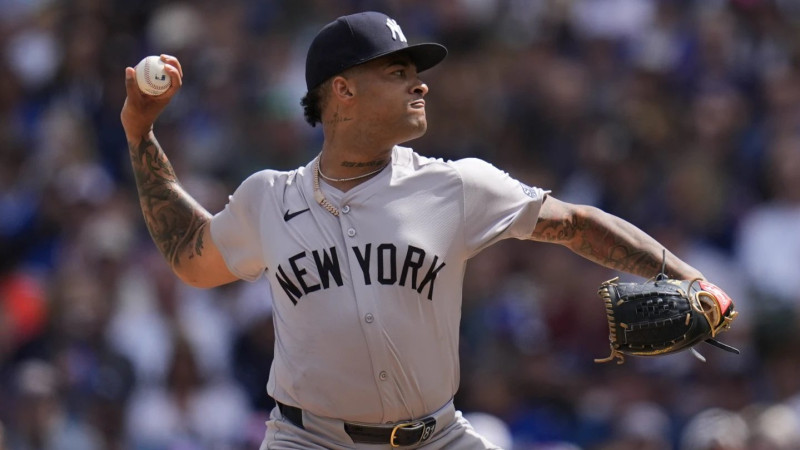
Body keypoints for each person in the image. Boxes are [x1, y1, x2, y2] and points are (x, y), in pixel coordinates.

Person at [120, 11, 705, 450]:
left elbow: (575, 224)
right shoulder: (267, 197)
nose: (420, 84)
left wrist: (687, 278)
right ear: (342, 91)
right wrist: (140, 135)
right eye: (398, 73)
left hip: (436, 436)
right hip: (309, 439)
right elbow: (192, 258)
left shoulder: (458, 186)